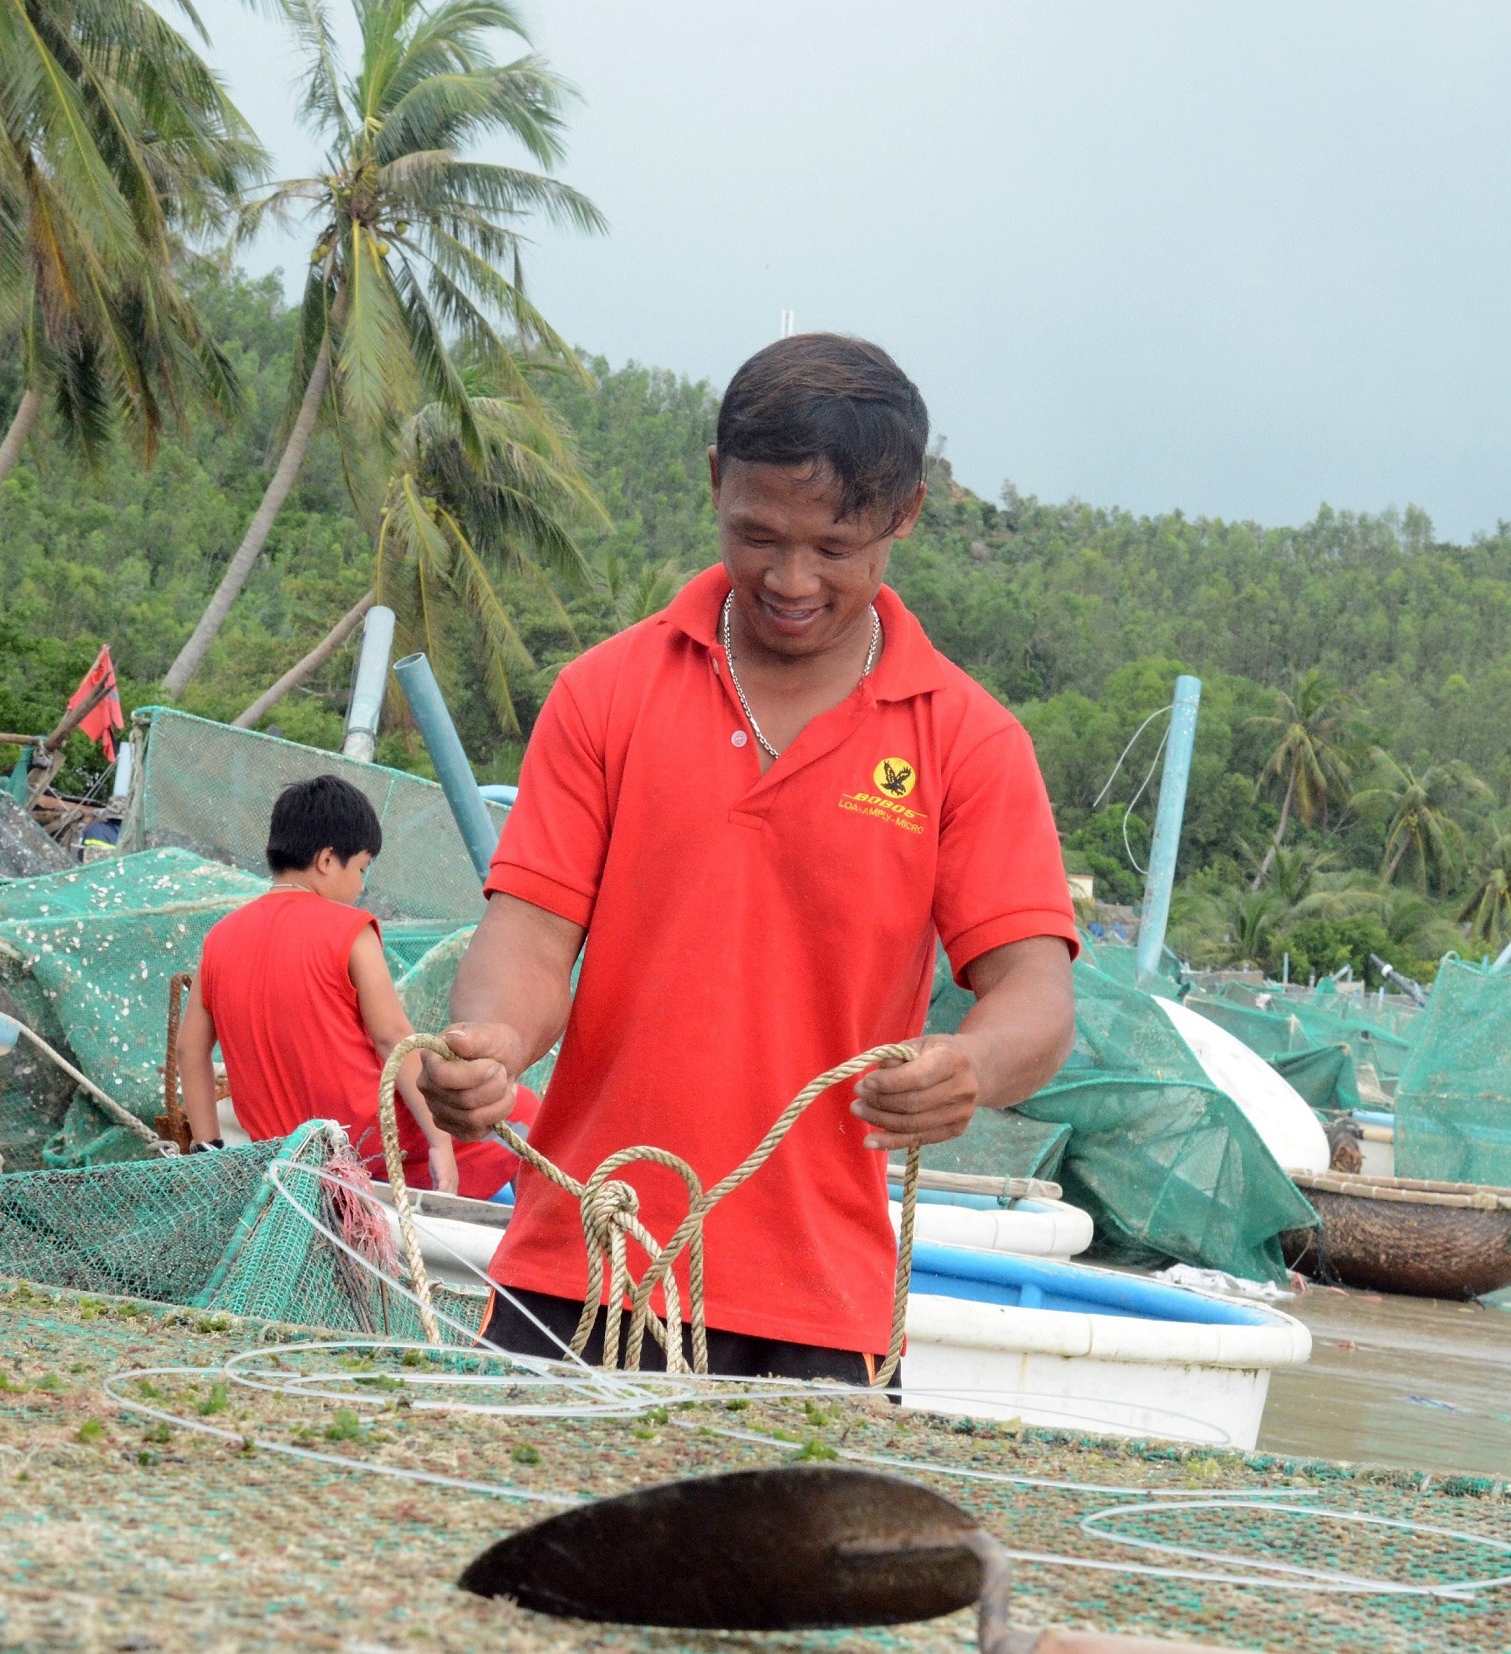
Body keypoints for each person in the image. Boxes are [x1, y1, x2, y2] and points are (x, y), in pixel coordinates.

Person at [421, 333, 1081, 1381]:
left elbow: (1034, 998)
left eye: (835, 546)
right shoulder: (607, 693)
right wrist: (492, 1041)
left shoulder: (968, 739)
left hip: (825, 1312)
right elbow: (532, 936)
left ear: (904, 515)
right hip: (585, 1268)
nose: (790, 578)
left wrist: (972, 1067)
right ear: (714, 478)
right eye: (757, 533)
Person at [179, 775, 532, 1198]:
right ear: (328, 860)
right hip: (367, 1146)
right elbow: (392, 1039)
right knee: (525, 1109)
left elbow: (189, 1050)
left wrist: (207, 1150)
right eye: (362, 868)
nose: (362, 886)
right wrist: (439, 1141)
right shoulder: (350, 930)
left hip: (283, 1150)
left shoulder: (219, 938)